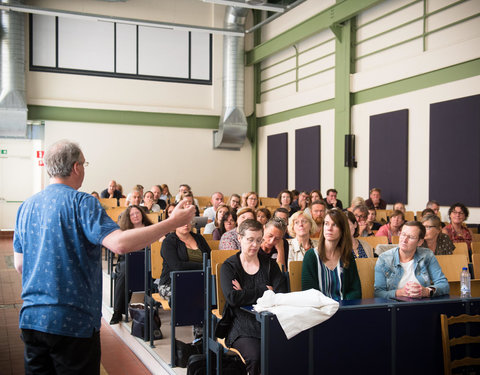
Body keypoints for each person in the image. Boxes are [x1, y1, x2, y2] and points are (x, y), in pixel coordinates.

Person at [13, 140, 195, 374]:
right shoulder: (82, 202)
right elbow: (119, 244)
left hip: (33, 319)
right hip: (73, 321)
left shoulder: (26, 207)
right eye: (84, 163)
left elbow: (20, 265)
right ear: (76, 167)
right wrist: (171, 223)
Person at [220, 219, 287, 375]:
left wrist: (245, 292)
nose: (255, 245)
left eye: (258, 240)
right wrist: (264, 289)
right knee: (256, 356)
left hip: (269, 322)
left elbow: (281, 294)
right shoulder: (229, 266)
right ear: (239, 238)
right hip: (240, 324)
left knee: (288, 350)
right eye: (250, 240)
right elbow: (233, 298)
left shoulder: (269, 264)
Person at [374, 221, 449, 299]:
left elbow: (444, 285)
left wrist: (427, 291)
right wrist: (400, 293)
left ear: (420, 242)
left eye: (411, 237)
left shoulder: (427, 255)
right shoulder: (384, 259)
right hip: (395, 306)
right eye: (403, 234)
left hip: (423, 304)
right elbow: (378, 293)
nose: (404, 240)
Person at [301, 208, 361, 300]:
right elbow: (309, 292)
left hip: (343, 308)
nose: (329, 228)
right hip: (320, 309)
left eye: (335, 225)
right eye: (326, 224)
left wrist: (343, 305)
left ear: (342, 230)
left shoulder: (347, 256)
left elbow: (355, 291)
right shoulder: (311, 256)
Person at [110, 205, 153, 324]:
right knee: (125, 271)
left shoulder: (150, 228)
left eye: (137, 213)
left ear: (142, 214)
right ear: (128, 218)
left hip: (147, 260)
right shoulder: (125, 231)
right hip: (128, 261)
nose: (135, 216)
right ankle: (117, 312)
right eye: (132, 214)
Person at [157, 221, 211, 304]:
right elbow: (177, 266)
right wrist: (202, 266)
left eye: (188, 221)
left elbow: (210, 258)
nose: (186, 224)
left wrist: (205, 266)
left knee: (214, 292)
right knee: (193, 294)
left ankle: (208, 316)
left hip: (200, 281)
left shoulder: (199, 238)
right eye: (182, 221)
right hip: (172, 284)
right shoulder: (168, 242)